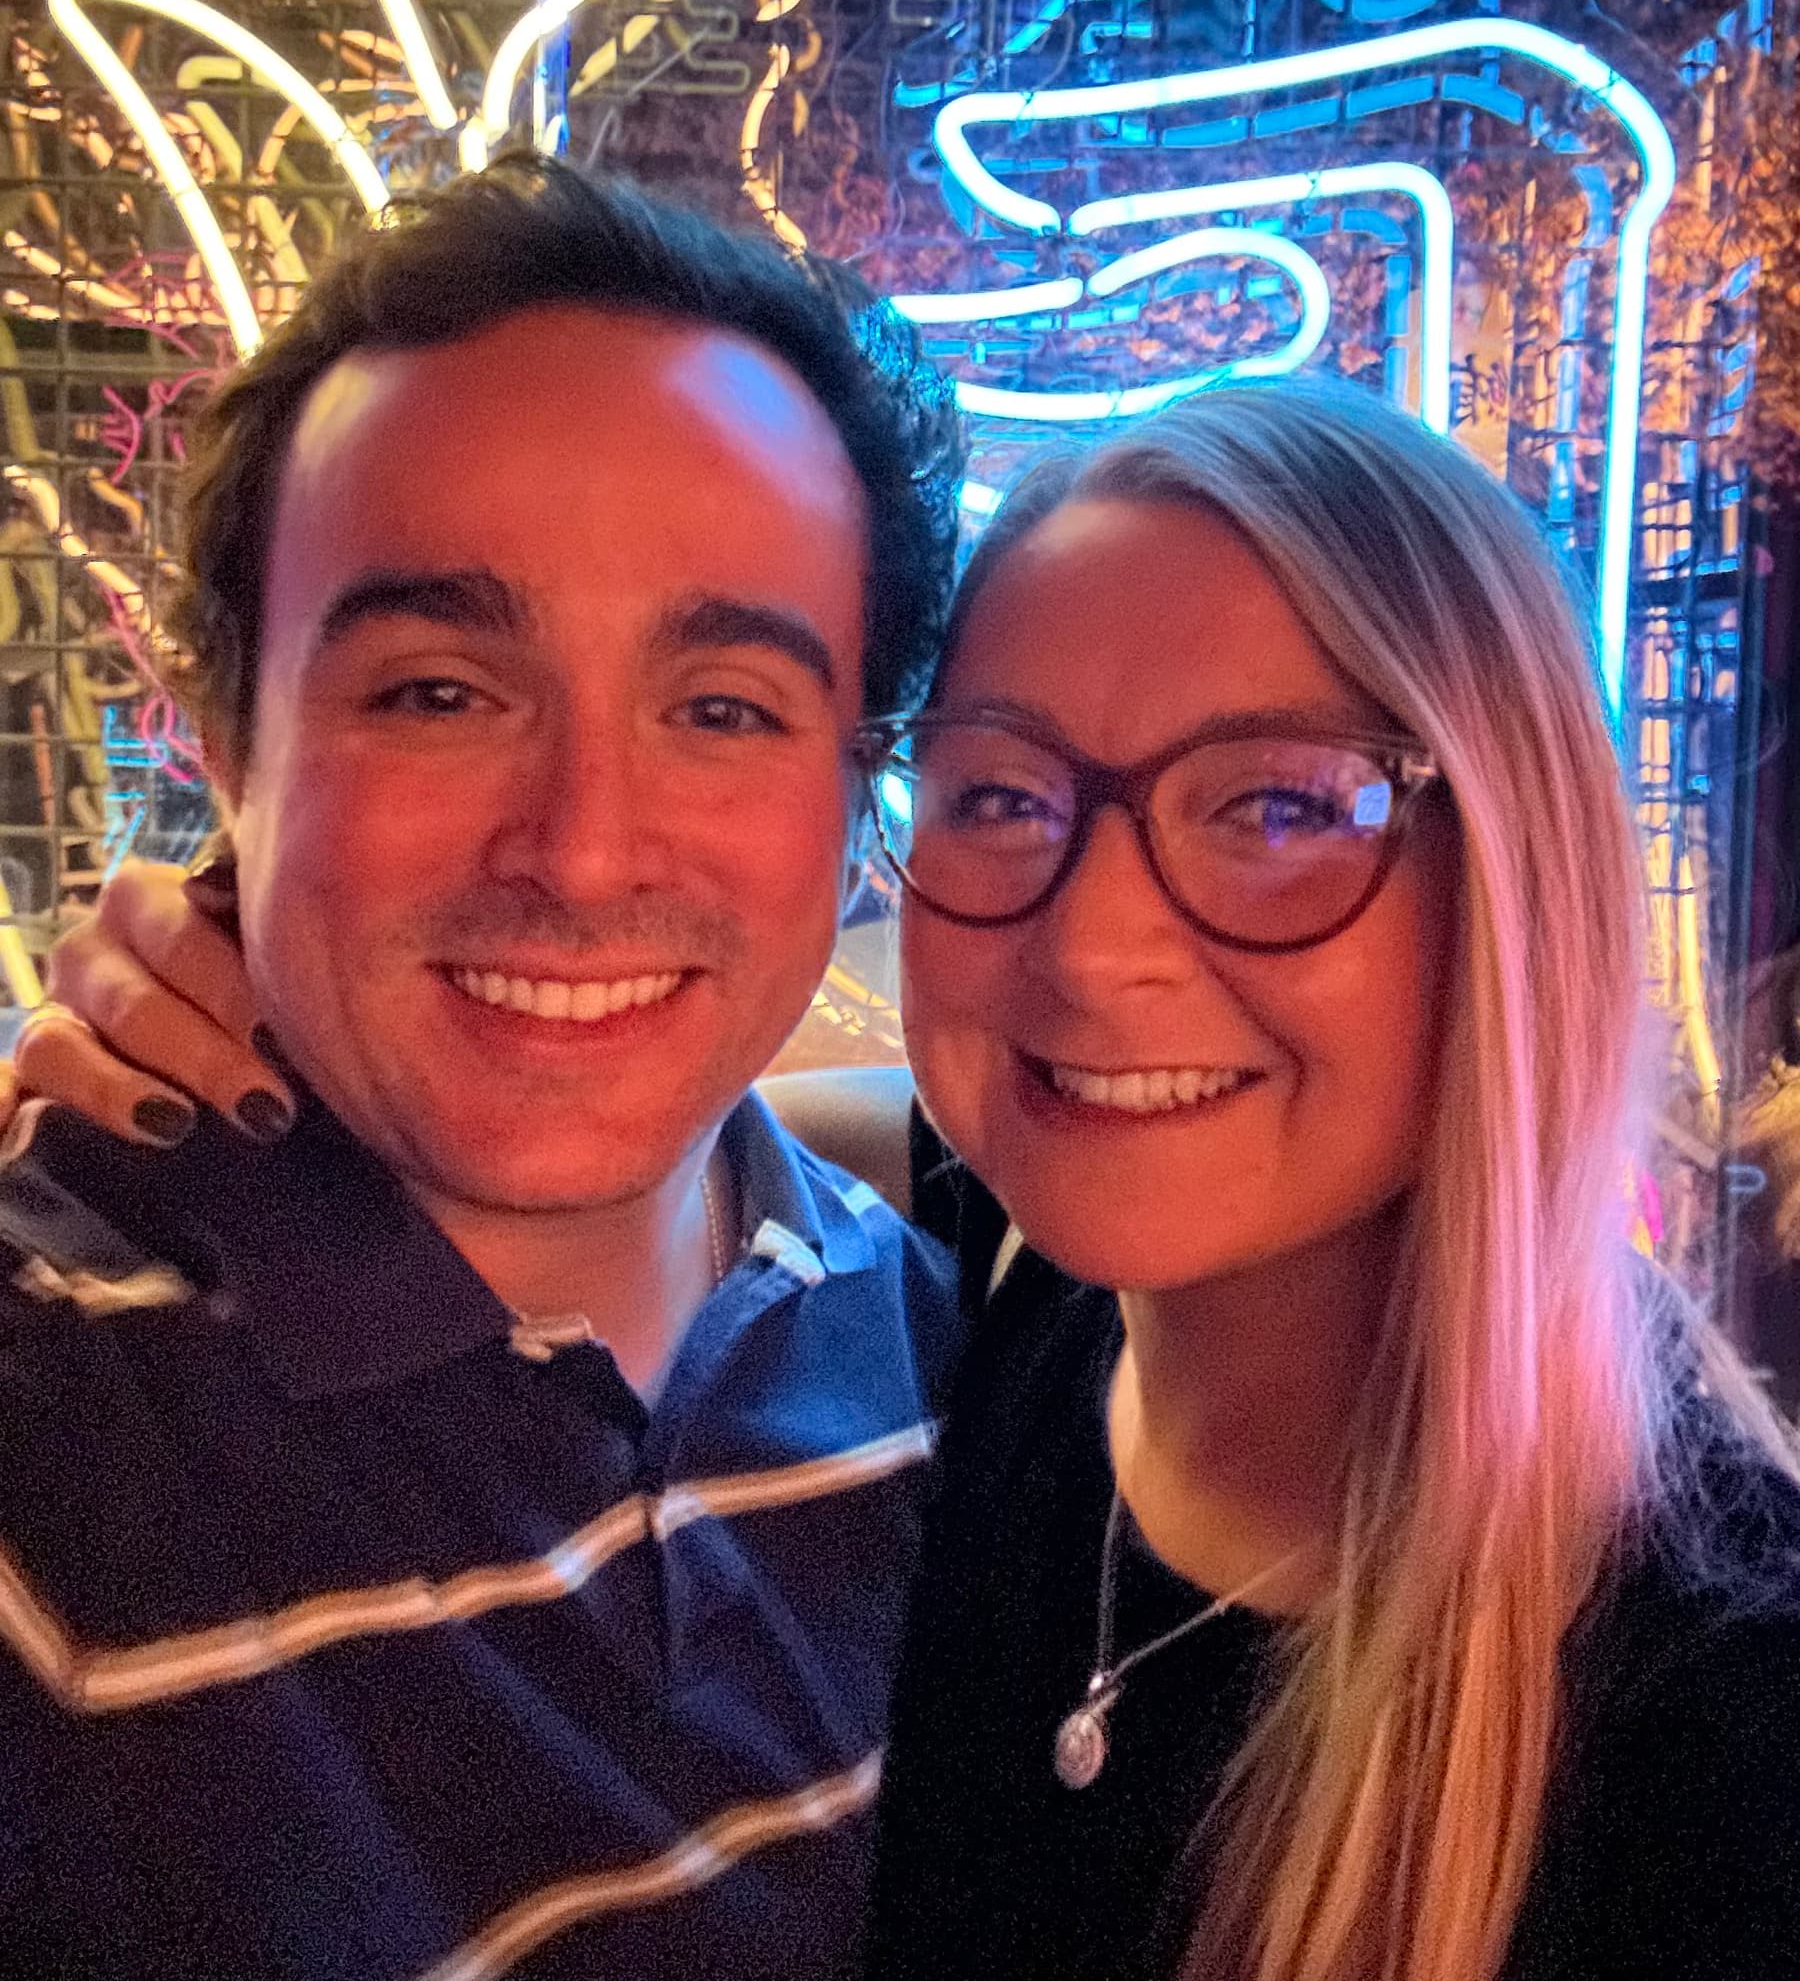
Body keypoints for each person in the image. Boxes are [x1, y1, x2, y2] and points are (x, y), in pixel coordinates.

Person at [28, 384, 1800, 1978]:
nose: (1091, 953)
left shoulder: (1722, 1724)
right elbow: (662, 1114)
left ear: (1520, 878)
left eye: (1278, 809)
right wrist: (252, 945)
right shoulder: (980, 1284)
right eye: (1003, 798)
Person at [0, 153, 964, 1979]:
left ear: (858, 806)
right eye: (436, 693)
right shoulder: (54, 1446)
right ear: (229, 746)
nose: (583, 852)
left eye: (723, 709)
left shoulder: (952, 1356)